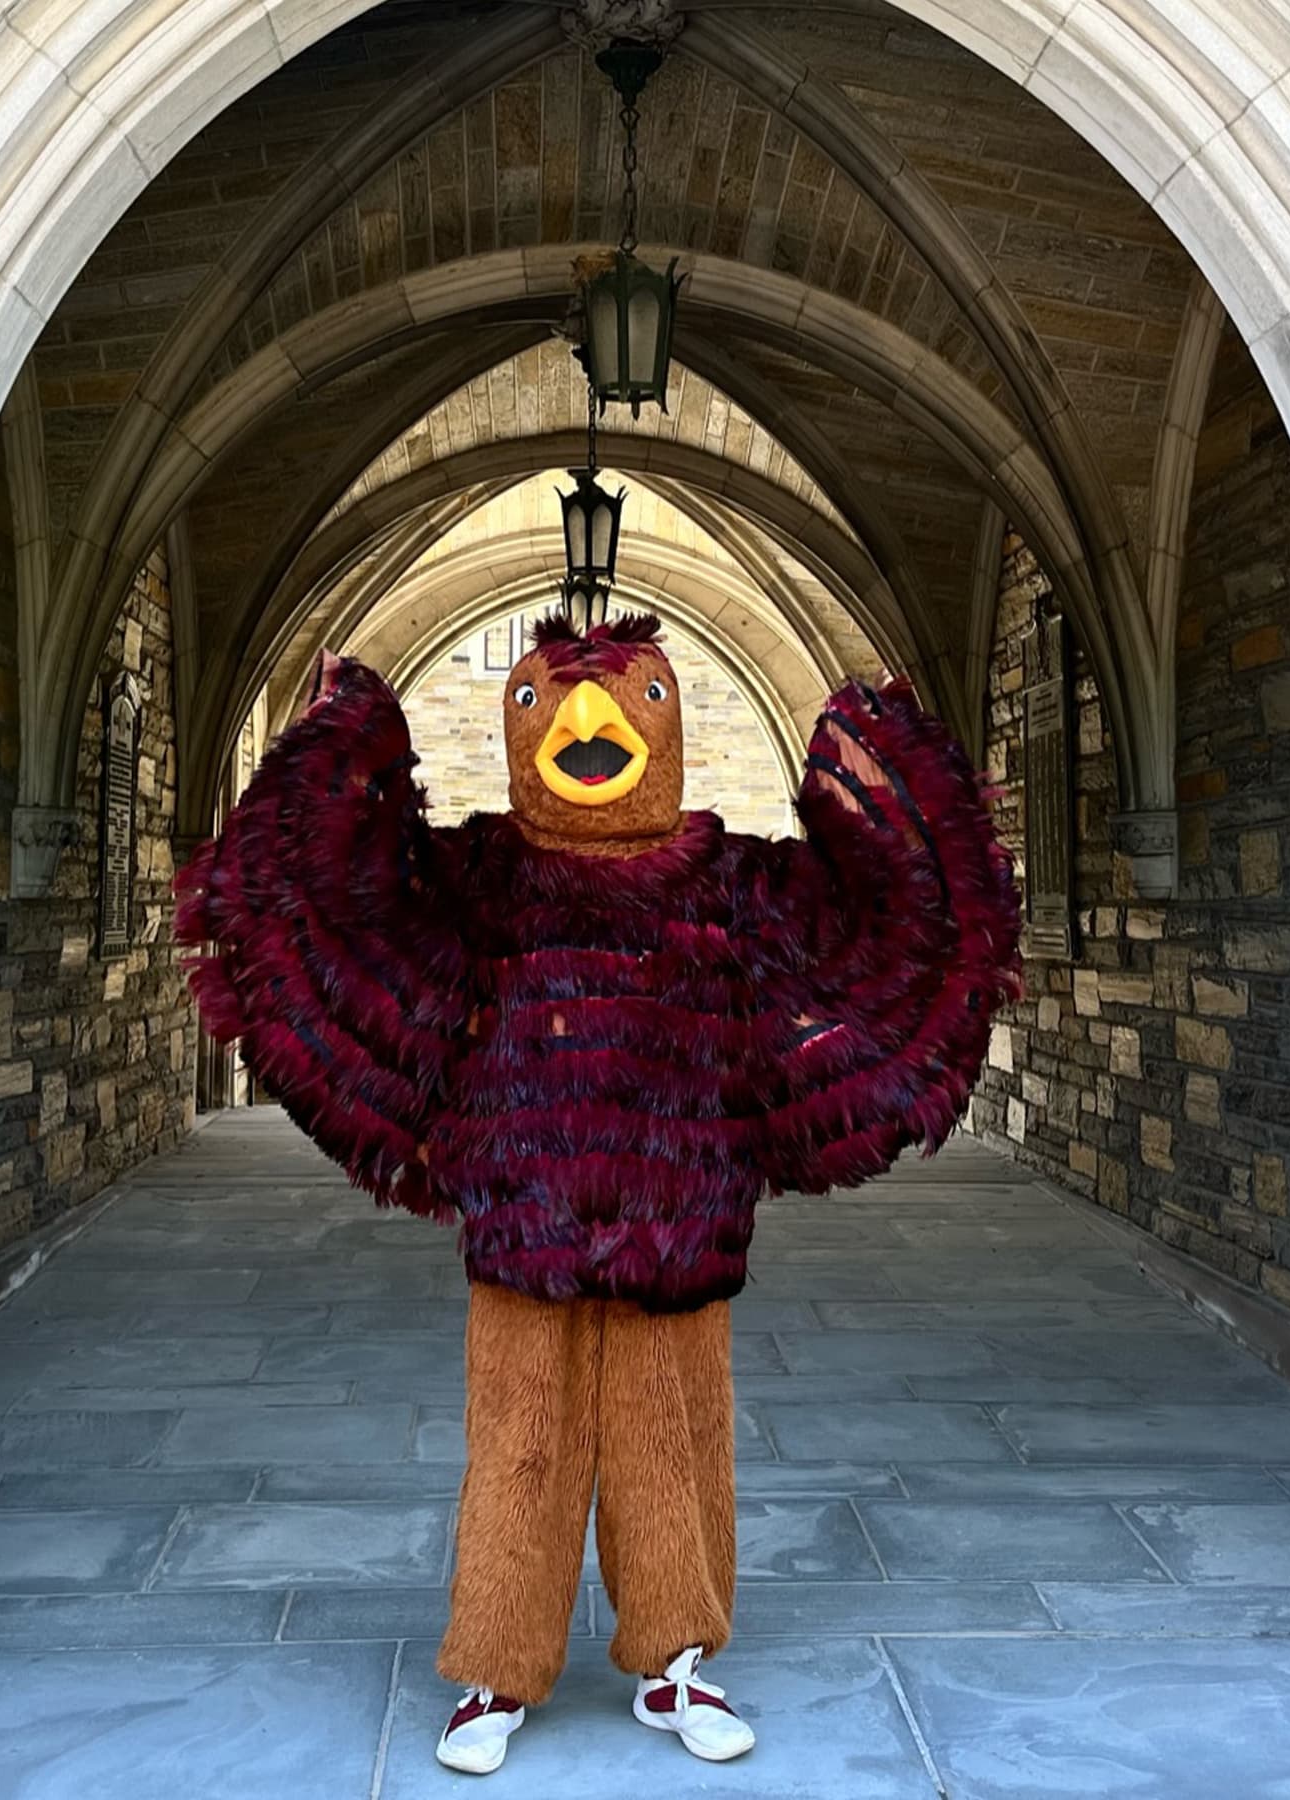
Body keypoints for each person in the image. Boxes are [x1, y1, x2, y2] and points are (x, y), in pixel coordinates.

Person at [173, 613, 1021, 1774]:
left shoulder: (732, 883)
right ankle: (492, 1671)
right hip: (524, 1212)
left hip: (680, 1217)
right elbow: (354, 899)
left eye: (631, 702)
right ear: (515, 733)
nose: (587, 724)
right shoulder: (479, 877)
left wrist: (887, 769)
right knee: (516, 1441)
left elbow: (874, 932)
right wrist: (342, 742)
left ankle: (675, 1664)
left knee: (671, 1446)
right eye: (544, 705)